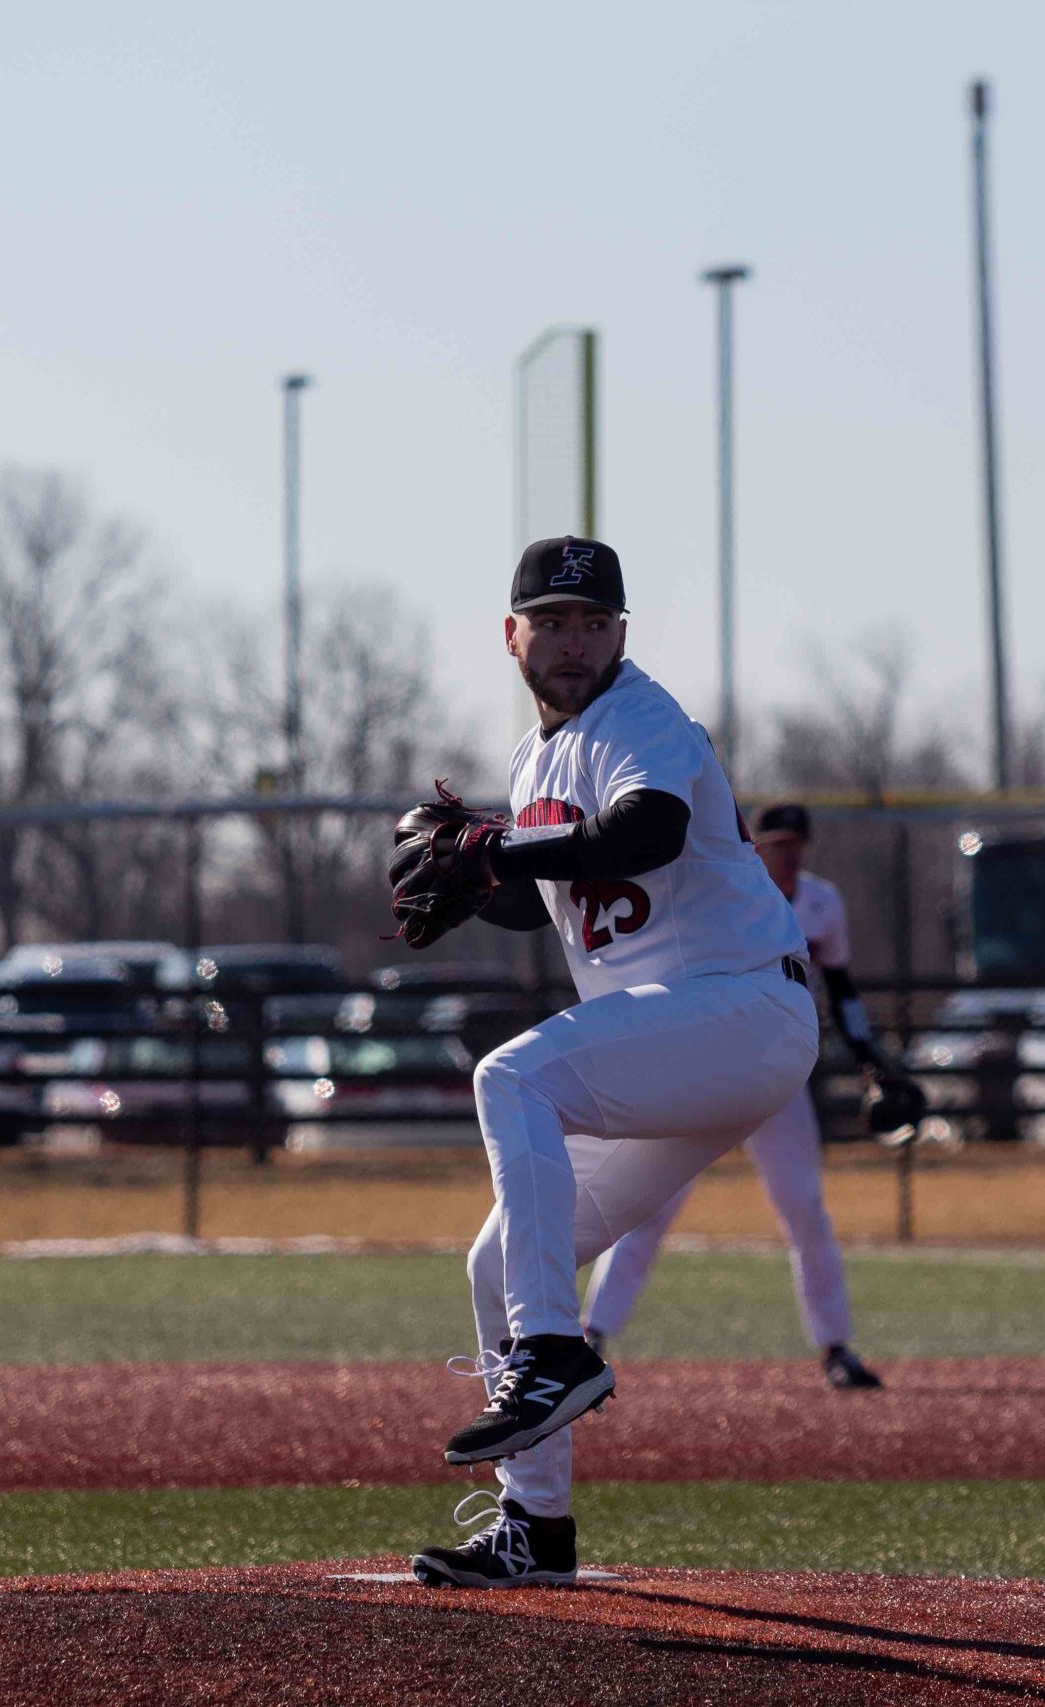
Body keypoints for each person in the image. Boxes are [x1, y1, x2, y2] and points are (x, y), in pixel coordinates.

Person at [391, 536, 818, 1590]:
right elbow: (587, 904)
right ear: (511, 637)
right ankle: (537, 1529)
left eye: (593, 622)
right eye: (553, 621)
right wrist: (482, 888)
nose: (575, 642)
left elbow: (645, 836)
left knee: (512, 1076)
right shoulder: (532, 760)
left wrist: (498, 851)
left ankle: (553, 1353)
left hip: (744, 1008)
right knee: (495, 1264)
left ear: (620, 634)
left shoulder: (640, 716)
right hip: (679, 1041)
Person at [582, 802, 899, 1390]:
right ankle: (591, 1334)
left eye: (797, 843)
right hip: (703, 1069)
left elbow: (842, 986)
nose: (789, 853)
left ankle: (835, 1346)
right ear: (756, 846)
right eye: (778, 842)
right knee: (648, 1205)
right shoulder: (725, 889)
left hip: (778, 1072)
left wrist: (869, 1061)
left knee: (805, 1208)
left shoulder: (822, 902)